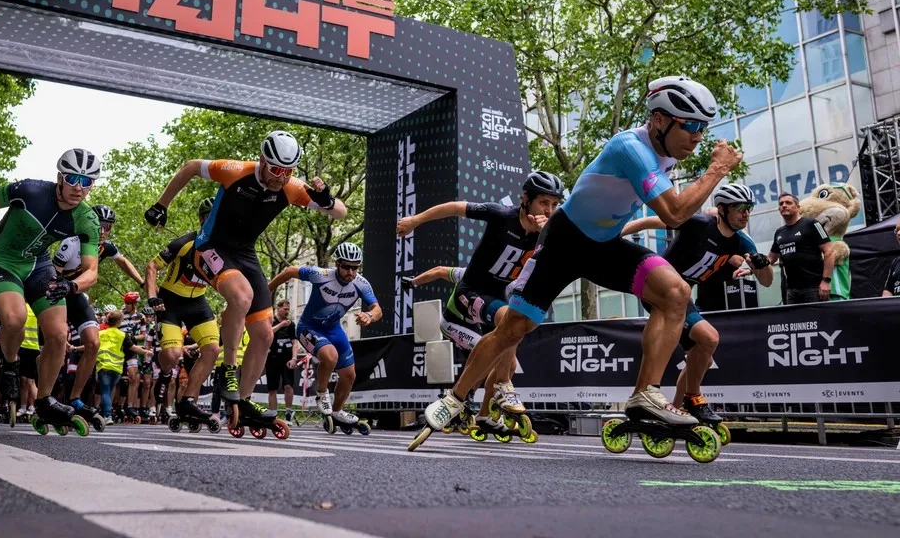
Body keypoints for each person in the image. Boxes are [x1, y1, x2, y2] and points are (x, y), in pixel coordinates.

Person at [414, 76, 742, 445]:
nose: (698, 136)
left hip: (602, 245)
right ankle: (456, 398)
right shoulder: (631, 148)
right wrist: (717, 170)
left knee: (676, 293)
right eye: (692, 125)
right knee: (514, 329)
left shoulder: (666, 151)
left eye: (704, 127)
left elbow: (673, 210)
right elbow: (675, 213)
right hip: (564, 243)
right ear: (659, 120)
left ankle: (645, 395)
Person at [145, 130, 347, 430]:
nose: (281, 178)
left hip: (245, 254)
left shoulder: (291, 187)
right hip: (209, 247)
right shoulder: (234, 170)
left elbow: (341, 213)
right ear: (263, 160)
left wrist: (327, 201)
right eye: (276, 169)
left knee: (264, 334)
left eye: (288, 171)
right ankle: (228, 369)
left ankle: (244, 400)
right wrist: (161, 205)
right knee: (241, 297)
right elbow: (191, 166)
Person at [0, 148, 103, 430]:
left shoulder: (86, 218)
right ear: (60, 177)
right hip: (1, 260)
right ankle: (10, 362)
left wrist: (71, 285)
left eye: (86, 181)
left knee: (58, 334)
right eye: (72, 178)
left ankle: (45, 400)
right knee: (15, 318)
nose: (78, 187)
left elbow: (92, 271)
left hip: (38, 265)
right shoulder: (30, 190)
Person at [396, 171, 565, 428]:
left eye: (554, 204)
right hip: (469, 293)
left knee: (508, 360)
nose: (549, 210)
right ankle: (489, 390)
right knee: (507, 322)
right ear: (525, 199)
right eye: (543, 202)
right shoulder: (501, 215)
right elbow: (454, 207)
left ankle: (484, 414)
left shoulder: (548, 233)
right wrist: (415, 220)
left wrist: (547, 238)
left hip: (496, 298)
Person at [620, 183, 772, 430]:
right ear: (722, 209)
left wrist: (762, 264)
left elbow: (766, 281)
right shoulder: (699, 223)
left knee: (703, 356)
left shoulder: (742, 242)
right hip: (660, 290)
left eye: (749, 208)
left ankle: (674, 412)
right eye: (740, 207)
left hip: (682, 298)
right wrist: (614, 237)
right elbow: (647, 222)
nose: (746, 213)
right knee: (709, 338)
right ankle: (693, 399)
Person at [268, 242, 382, 430]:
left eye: (355, 268)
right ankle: (322, 393)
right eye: (346, 266)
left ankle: (336, 412)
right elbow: (289, 271)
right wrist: (267, 290)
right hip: (308, 327)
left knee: (349, 375)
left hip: (334, 329)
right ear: (337, 264)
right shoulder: (321, 275)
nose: (350, 272)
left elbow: (377, 309)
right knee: (330, 356)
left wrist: (369, 316)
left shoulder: (361, 283)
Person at [51, 203, 144, 424]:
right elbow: (53, 277)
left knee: (93, 343)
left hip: (77, 294)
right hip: (58, 294)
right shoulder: (71, 243)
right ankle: (46, 398)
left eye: (107, 226)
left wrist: (142, 283)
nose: (103, 230)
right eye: (98, 225)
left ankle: (75, 399)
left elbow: (123, 262)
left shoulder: (105, 247)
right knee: (57, 342)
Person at [145, 197, 223, 428]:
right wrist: (152, 296)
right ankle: (165, 371)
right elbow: (152, 266)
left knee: (212, 350)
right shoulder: (185, 243)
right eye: (209, 218)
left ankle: (188, 402)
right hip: (170, 301)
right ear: (201, 220)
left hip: (198, 302)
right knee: (172, 355)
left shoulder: (225, 248)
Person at [767, 193, 835, 304]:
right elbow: (770, 259)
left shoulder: (812, 224)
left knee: (817, 316)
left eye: (788, 203)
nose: (784, 205)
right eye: (781, 204)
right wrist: (751, 269)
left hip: (814, 289)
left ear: (798, 207)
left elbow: (829, 252)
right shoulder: (779, 232)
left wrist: (826, 281)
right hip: (791, 291)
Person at [95, 309, 153, 424]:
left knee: (106, 391)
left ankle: (107, 415)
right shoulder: (122, 335)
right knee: (109, 390)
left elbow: (90, 345)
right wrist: (146, 352)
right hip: (117, 369)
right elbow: (134, 348)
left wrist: (75, 348)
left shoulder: (100, 333)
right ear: (119, 322)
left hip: (103, 366)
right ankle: (106, 412)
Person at [265, 300, 298, 423]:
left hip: (287, 359)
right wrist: (280, 325)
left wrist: (294, 358)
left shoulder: (291, 324)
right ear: (278, 308)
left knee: (288, 385)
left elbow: (295, 342)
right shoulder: (270, 320)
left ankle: (288, 413)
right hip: (272, 359)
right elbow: (267, 333)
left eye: (288, 309)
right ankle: (273, 415)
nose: (287, 311)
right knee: (272, 388)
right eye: (285, 309)